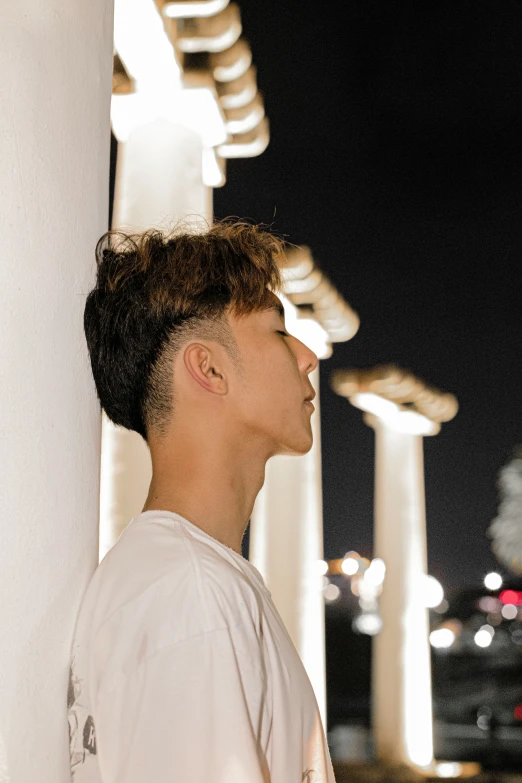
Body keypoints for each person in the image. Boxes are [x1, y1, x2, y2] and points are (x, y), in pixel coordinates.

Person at [67, 220, 336, 782]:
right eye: (276, 331)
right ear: (208, 368)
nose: (309, 355)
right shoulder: (192, 595)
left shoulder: (178, 580)